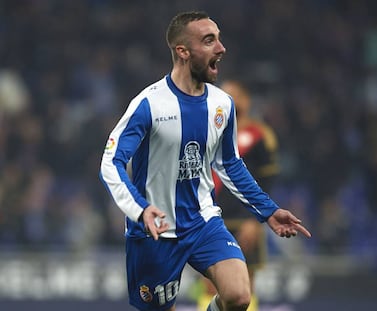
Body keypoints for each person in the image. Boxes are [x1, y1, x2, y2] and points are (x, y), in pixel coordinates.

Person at [99, 11, 311, 311]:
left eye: (219, 39)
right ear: (182, 51)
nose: (221, 48)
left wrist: (268, 211)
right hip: (155, 229)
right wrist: (140, 209)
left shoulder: (222, 104)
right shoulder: (148, 104)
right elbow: (110, 162)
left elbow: (230, 165)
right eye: (209, 41)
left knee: (238, 295)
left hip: (202, 221)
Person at [197, 80, 280, 311]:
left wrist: (256, 220)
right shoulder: (206, 130)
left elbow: (268, 181)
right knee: (210, 283)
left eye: (234, 95)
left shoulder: (260, 135)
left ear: (246, 100)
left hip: (245, 223)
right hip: (210, 220)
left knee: (244, 286)